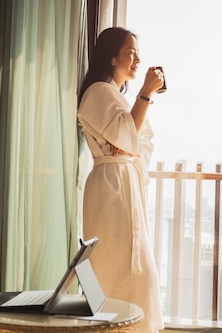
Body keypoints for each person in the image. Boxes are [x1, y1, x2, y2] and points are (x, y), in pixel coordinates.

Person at [77, 27, 165, 333]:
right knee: (118, 268)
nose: (138, 59)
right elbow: (129, 136)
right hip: (111, 187)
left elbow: (137, 138)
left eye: (138, 53)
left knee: (134, 268)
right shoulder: (98, 91)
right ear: (112, 57)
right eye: (131, 53)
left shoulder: (114, 96)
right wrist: (145, 94)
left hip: (123, 181)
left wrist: (130, 137)